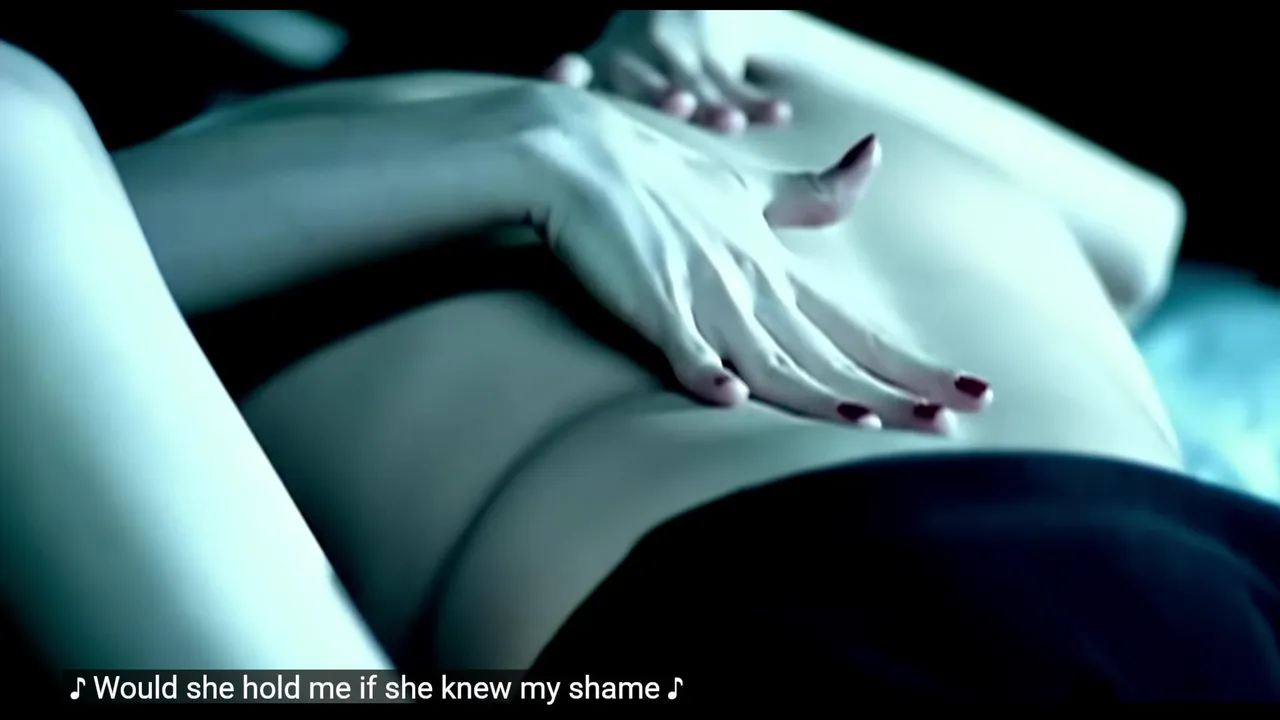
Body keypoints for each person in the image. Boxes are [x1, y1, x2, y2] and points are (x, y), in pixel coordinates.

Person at [1, 10, 1275, 702]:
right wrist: (532, 137)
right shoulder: (277, 152)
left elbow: (1142, 231)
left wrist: (741, 26)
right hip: (891, 609)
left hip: (1182, 595)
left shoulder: (726, 74)